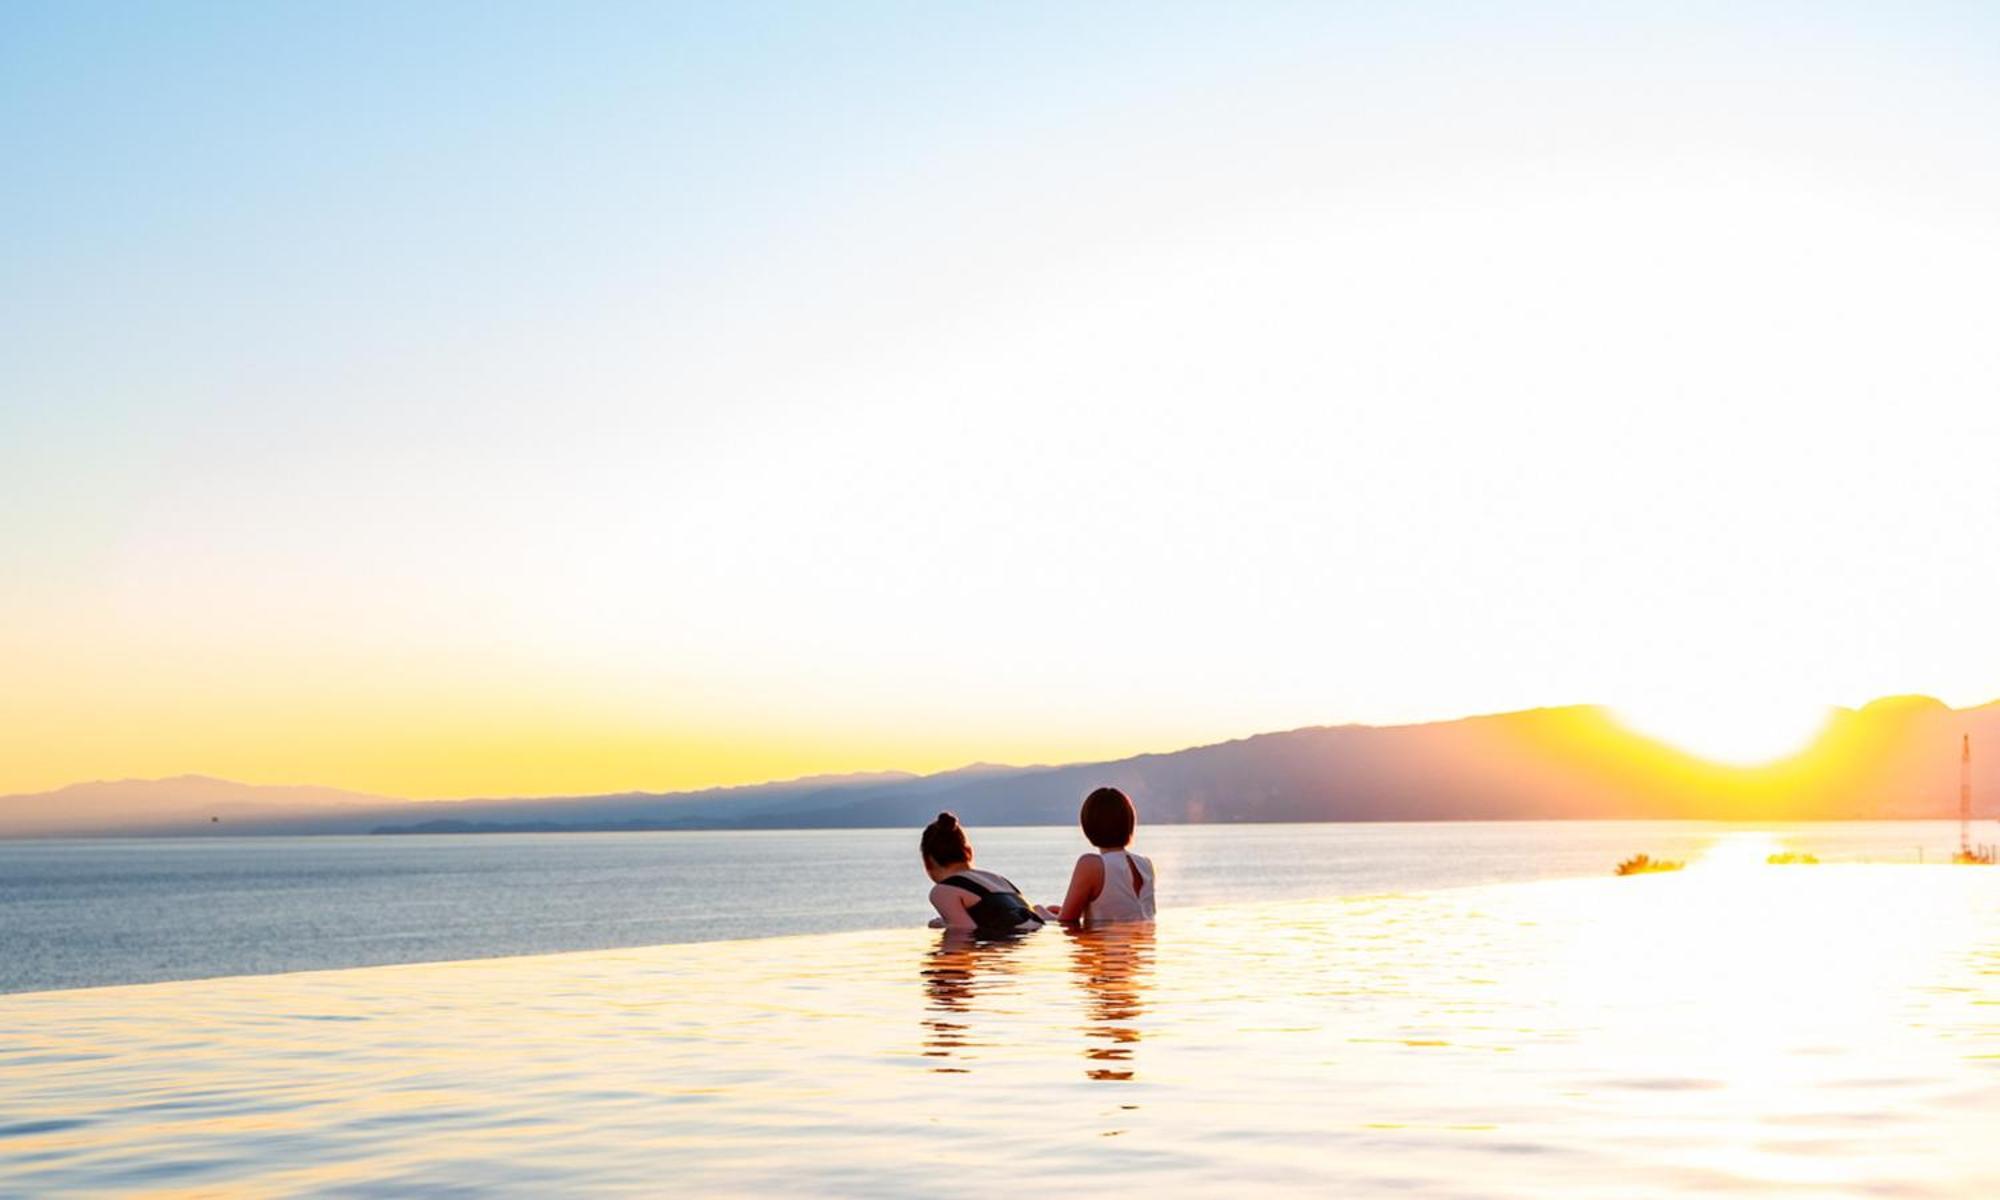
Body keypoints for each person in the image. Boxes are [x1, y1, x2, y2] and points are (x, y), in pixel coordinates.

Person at [1038, 786, 1156, 925]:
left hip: (1108, 945)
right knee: (1054, 909)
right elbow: (1119, 911)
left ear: (1088, 825)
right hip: (1143, 946)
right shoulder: (1146, 864)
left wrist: (1039, 911)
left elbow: (1066, 922)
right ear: (1129, 822)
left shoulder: (1090, 864)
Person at [920, 811, 1045, 934]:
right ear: (969, 852)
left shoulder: (943, 890)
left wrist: (943, 924)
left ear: (928, 861)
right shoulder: (998, 879)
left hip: (1011, 938)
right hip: (1036, 930)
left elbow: (964, 932)